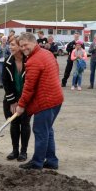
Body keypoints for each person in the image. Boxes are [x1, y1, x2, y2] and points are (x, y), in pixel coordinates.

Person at [15, 32, 64, 170]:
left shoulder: (33, 61)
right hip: (56, 98)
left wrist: (21, 105)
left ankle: (37, 163)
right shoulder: (47, 53)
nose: (24, 48)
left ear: (34, 42)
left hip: (46, 101)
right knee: (48, 130)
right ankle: (52, 160)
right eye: (21, 46)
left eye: (26, 45)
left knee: (40, 131)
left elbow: (29, 87)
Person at [2, 37, 30, 161]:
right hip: (11, 99)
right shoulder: (8, 61)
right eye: (10, 45)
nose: (10, 47)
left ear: (20, 47)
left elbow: (31, 82)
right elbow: (5, 82)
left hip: (25, 99)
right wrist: (12, 101)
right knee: (13, 123)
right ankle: (15, 150)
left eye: (13, 45)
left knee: (24, 124)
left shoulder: (29, 61)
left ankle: (23, 152)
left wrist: (22, 101)